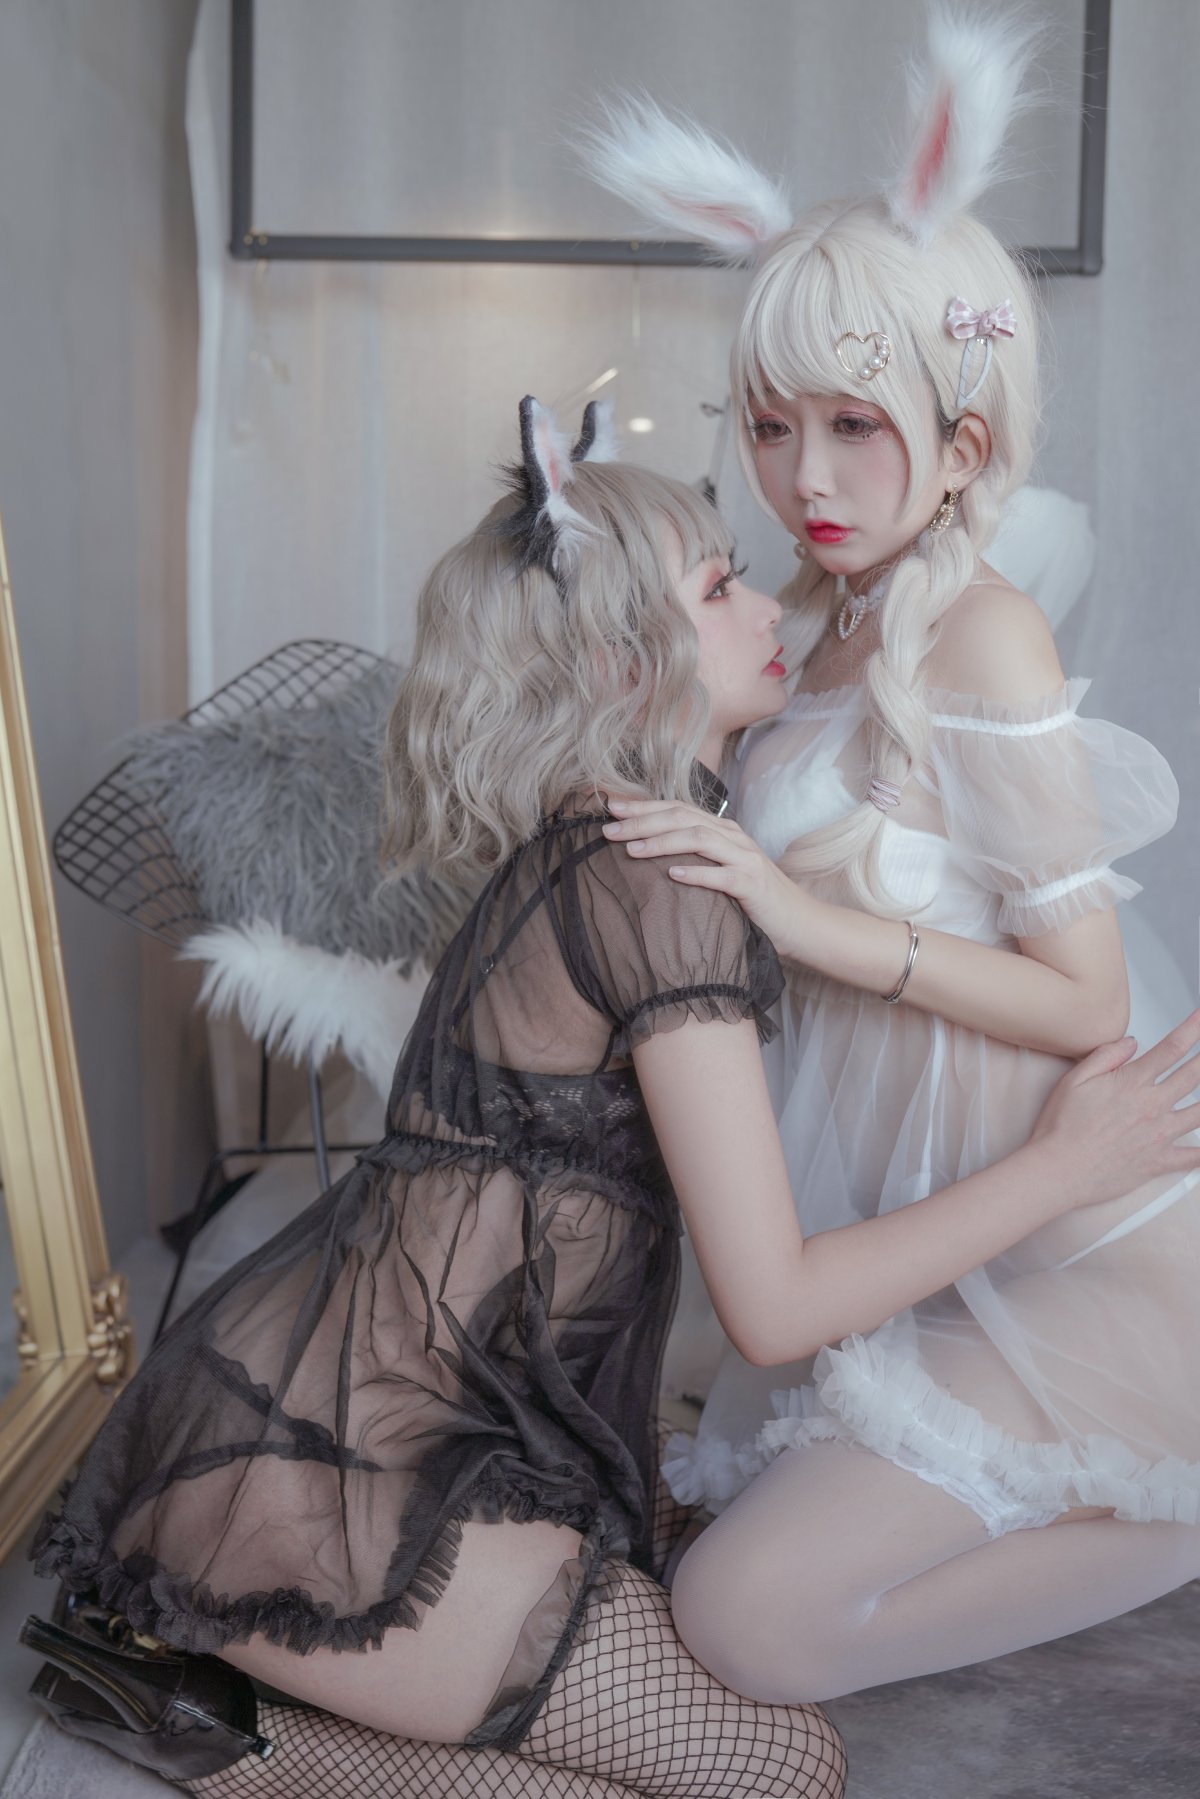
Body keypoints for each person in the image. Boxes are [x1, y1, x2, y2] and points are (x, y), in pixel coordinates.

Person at [29, 397, 1200, 1799]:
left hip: (367, 1426)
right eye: (718, 587)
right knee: (781, 1769)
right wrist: (1066, 1166)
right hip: (323, 1478)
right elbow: (774, 1304)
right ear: (620, 658)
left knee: (729, 1670)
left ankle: (208, 1676)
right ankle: (224, 1732)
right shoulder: (658, 879)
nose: (767, 605)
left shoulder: (619, 838)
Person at [584, 8, 1200, 1705]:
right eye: (771, 425)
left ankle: (1175, 1499)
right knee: (707, 1545)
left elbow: (1085, 1005)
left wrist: (802, 917)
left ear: (966, 440)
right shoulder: (803, 626)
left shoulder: (985, 632)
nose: (804, 475)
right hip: (922, 1229)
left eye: (856, 424)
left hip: (1077, 1241)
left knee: (746, 1621)